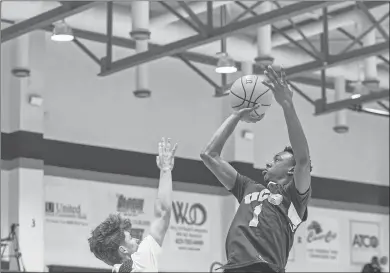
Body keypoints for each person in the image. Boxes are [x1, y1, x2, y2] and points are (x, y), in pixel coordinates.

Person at [200, 66, 312, 272]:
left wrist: (287, 104)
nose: (269, 163)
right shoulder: (249, 187)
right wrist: (236, 116)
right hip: (233, 267)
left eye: (277, 160)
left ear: (291, 171)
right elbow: (209, 155)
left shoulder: (294, 199)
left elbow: (303, 160)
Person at [88, 137, 178, 272]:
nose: (136, 240)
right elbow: (163, 213)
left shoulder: (119, 270)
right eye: (130, 238)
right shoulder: (140, 261)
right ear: (123, 249)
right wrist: (165, 169)